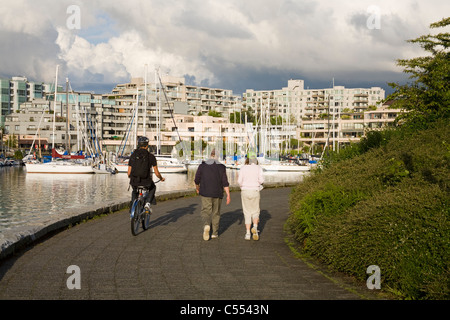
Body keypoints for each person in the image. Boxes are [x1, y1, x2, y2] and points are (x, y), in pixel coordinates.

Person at [195, 149, 230, 241]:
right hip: (217, 193)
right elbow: (225, 182)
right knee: (216, 213)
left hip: (205, 192)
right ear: (218, 157)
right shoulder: (222, 167)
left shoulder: (202, 166)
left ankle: (206, 224)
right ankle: (215, 233)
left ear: (210, 155)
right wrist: (228, 195)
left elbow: (197, 179)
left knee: (205, 211)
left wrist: (197, 187)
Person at [128, 137, 165, 213]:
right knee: (153, 188)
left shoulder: (133, 156)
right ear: (147, 145)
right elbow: (157, 172)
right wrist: (161, 178)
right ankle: (147, 204)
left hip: (134, 181)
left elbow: (129, 173)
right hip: (146, 182)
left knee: (135, 191)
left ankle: (133, 207)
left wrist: (131, 177)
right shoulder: (151, 156)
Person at [238, 152, 264, 240]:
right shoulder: (258, 168)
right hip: (255, 190)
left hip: (245, 191)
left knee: (247, 212)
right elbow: (261, 180)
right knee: (255, 211)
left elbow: (239, 181)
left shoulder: (243, 168)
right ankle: (255, 228)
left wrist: (242, 186)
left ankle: (248, 233)